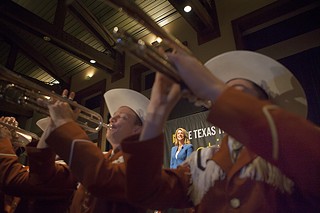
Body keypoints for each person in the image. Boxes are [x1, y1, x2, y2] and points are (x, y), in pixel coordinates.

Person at [121, 50, 320, 212]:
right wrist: (157, 111)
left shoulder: (288, 152)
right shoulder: (202, 161)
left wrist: (215, 87)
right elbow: (145, 193)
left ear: (264, 105)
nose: (223, 100)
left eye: (237, 93)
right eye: (224, 94)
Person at [36, 88, 150, 212]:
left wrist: (64, 122)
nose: (111, 119)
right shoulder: (104, 158)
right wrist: (53, 124)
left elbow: (102, 178)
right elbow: (42, 176)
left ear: (137, 130)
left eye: (122, 117)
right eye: (113, 115)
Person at [0, 116, 77, 213]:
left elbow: (11, 180)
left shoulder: (67, 174)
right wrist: (11, 145)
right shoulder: (52, 169)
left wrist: (3, 138)